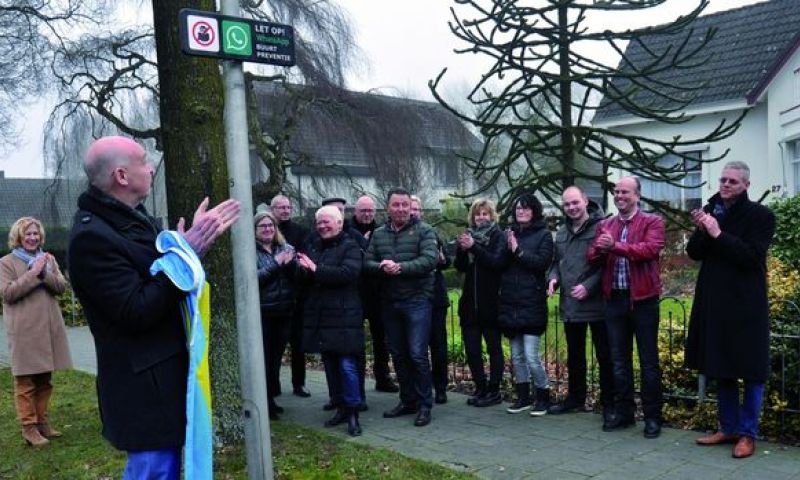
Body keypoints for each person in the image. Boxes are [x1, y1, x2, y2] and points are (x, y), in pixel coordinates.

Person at [67, 136, 240, 478]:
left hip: (164, 378)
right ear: (121, 176)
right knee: (154, 471)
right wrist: (184, 255)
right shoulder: (92, 238)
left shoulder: (130, 218)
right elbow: (136, 309)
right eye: (143, 161)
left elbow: (150, 269)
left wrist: (181, 247)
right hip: (143, 390)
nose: (150, 167)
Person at [686, 161, 775, 458]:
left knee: (750, 370)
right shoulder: (713, 211)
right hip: (715, 302)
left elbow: (751, 257)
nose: (725, 185)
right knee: (721, 366)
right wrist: (703, 229)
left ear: (746, 185)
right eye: (723, 180)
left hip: (746, 304)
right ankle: (728, 427)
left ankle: (748, 434)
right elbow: (694, 253)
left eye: (732, 181)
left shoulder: (761, 216)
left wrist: (717, 234)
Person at [587, 176, 665, 438]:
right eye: (617, 191)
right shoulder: (605, 224)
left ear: (637, 195)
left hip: (643, 300)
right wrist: (599, 249)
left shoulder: (652, 222)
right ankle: (624, 413)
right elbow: (592, 256)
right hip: (614, 300)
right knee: (618, 361)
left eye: (625, 192)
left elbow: (649, 250)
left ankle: (653, 418)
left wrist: (615, 246)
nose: (620, 196)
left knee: (648, 362)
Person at [365, 187, 438, 427]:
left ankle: (425, 405)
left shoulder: (425, 231)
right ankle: (408, 400)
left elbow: (430, 260)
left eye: (405, 205)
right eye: (396, 205)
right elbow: (367, 262)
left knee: (417, 354)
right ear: (388, 207)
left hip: (417, 300)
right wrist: (381, 267)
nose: (401, 209)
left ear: (411, 206)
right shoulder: (378, 234)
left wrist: (401, 268)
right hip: (390, 301)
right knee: (398, 354)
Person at [0, 217, 73, 447]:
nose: (33, 238)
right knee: (25, 382)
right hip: (24, 331)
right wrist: (33, 273)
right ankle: (28, 428)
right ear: (19, 237)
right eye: (27, 234)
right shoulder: (6, 262)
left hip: (48, 328)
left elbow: (61, 286)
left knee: (44, 379)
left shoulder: (49, 258)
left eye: (36, 234)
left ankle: (42, 422)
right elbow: (8, 293)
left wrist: (44, 272)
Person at [297, 206, 365, 436]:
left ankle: (353, 413)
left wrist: (315, 268)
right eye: (319, 223)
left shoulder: (351, 246)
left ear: (339, 223)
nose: (322, 226)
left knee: (347, 366)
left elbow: (348, 274)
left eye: (327, 222)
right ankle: (340, 408)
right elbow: (306, 279)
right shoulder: (314, 245)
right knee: (330, 367)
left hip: (345, 315)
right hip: (322, 316)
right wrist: (300, 268)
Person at [547, 186, 613, 418]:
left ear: (585, 201)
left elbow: (607, 262)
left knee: (604, 355)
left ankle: (609, 402)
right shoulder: (562, 232)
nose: (572, 208)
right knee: (575, 355)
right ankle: (575, 398)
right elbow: (556, 262)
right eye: (567, 204)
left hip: (596, 303)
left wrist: (589, 286)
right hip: (571, 304)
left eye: (575, 202)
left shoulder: (601, 227)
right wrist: (553, 279)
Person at [497, 193, 554, 415]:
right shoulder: (508, 234)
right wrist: (505, 246)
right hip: (510, 301)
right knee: (517, 356)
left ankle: (543, 395)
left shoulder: (544, 235)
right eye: (518, 208)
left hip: (531, 302)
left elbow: (541, 263)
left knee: (531, 356)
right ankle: (523, 396)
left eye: (526, 208)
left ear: (534, 211)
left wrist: (518, 250)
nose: (521, 211)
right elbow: (499, 263)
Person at [454, 198, 505, 408]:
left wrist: (474, 247)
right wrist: (462, 249)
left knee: (494, 348)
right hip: (469, 304)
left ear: (492, 215)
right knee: (472, 349)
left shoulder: (498, 236)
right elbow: (460, 267)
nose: (481, 217)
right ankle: (480, 387)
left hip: (491, 303)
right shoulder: (469, 236)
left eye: (485, 214)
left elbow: (496, 262)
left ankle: (494, 390)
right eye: (477, 214)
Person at [352, 195, 397, 393]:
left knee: (382, 340)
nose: (367, 214)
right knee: (356, 341)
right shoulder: (347, 231)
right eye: (363, 211)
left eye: (370, 210)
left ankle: (383, 377)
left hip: (379, 293)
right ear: (355, 211)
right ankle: (357, 382)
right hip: (356, 293)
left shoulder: (380, 231)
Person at [254, 210, 296, 420]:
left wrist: (292, 264)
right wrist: (276, 263)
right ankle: (265, 402)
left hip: (283, 311)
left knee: (276, 359)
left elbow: (297, 277)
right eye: (263, 226)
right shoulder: (250, 251)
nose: (268, 230)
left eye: (271, 226)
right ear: (255, 231)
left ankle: (271, 397)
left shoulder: (285, 247)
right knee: (264, 359)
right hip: (263, 312)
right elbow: (254, 278)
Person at [410, 195, 451, 404]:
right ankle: (418, 389)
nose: (413, 212)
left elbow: (445, 259)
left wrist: (443, 260)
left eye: (416, 209)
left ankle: (441, 387)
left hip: (435, 297)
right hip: (413, 297)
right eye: (411, 208)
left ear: (421, 212)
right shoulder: (401, 235)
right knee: (416, 349)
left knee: (438, 346)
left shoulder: (430, 232)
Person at [270, 194, 311, 398]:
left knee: (298, 343)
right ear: (272, 210)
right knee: (274, 347)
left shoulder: (300, 232)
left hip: (296, 295)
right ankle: (273, 386)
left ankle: (299, 383)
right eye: (281, 208)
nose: (285, 211)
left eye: (288, 207)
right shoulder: (265, 232)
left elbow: (303, 258)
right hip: (273, 297)